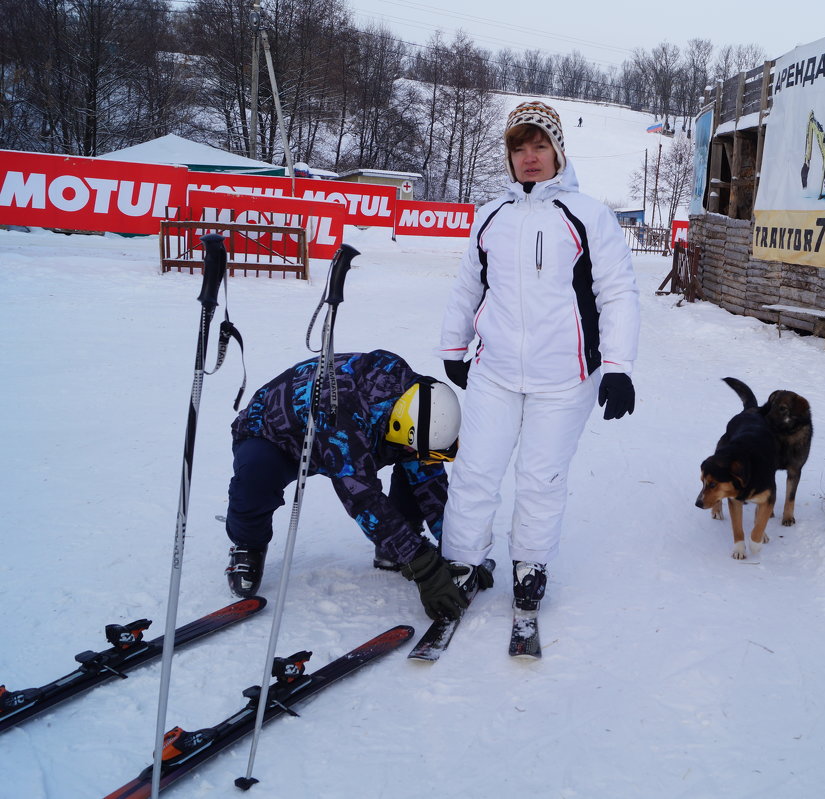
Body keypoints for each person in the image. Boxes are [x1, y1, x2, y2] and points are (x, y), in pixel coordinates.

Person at [438, 100, 639, 619]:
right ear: (509, 156)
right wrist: (453, 347)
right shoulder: (491, 216)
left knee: (540, 477)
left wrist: (617, 367)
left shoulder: (588, 214)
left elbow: (616, 292)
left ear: (558, 151)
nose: (530, 157)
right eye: (519, 147)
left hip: (565, 378)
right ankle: (462, 564)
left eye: (540, 145)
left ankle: (530, 566)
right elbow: (468, 286)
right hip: (494, 371)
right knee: (475, 471)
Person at [223, 349, 486, 621]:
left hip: (363, 431)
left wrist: (456, 546)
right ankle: (248, 544)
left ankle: (397, 543)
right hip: (277, 436)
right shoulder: (341, 415)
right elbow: (362, 498)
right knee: (256, 475)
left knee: (417, 459)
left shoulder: (417, 401)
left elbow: (429, 479)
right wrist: (424, 568)